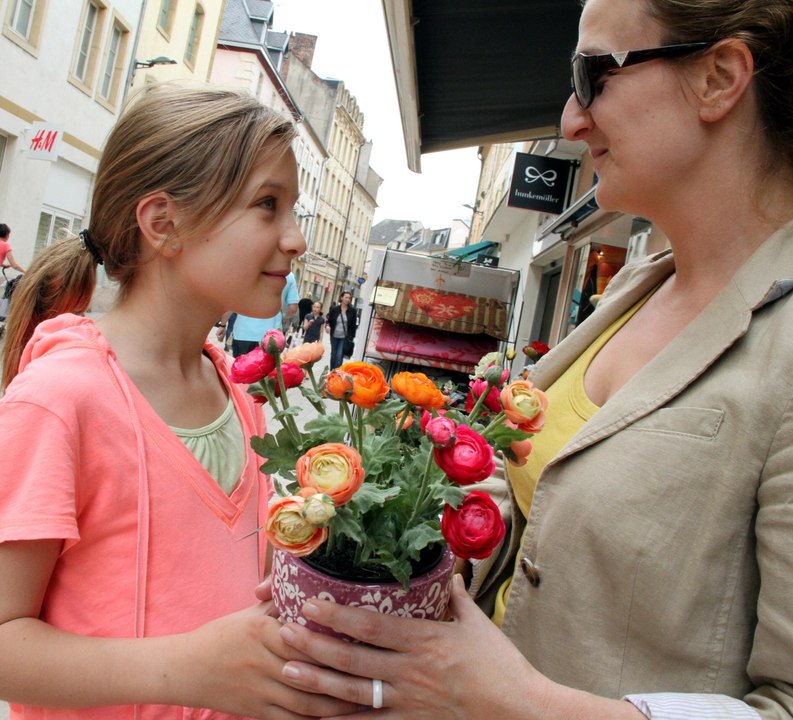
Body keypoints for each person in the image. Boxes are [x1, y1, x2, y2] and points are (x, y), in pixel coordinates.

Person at [270, 1, 793, 718]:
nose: (572, 119)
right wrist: (372, 575)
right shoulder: (640, 289)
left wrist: (516, 701)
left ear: (719, 78)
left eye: (592, 73)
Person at [0, 82, 356, 720]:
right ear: (164, 224)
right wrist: (189, 672)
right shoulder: (61, 399)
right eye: (268, 206)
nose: (296, 238)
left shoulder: (240, 397)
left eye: (293, 209)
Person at [220, 271, 298, 357]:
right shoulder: (288, 275)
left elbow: (232, 303)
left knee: (241, 368)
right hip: (271, 337)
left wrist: (222, 325)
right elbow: (293, 308)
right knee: (266, 369)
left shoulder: (250, 269)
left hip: (243, 333)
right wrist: (284, 318)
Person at [325, 290, 356, 370]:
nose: (348, 299)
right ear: (341, 298)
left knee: (339, 356)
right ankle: (332, 372)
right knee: (333, 355)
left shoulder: (352, 311)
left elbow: (353, 325)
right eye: (346, 297)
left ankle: (336, 374)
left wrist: (351, 337)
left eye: (349, 298)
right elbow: (329, 321)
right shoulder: (335, 309)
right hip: (334, 336)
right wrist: (327, 326)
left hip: (344, 337)